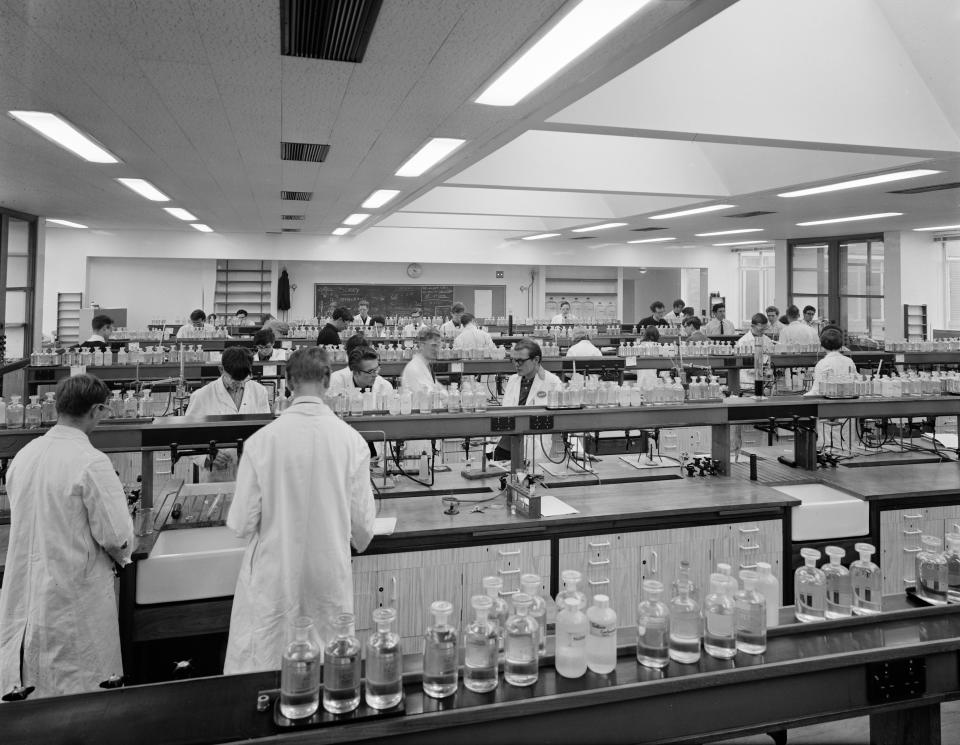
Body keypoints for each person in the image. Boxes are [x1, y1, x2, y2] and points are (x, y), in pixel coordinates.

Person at [223, 347, 376, 673]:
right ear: (327, 379)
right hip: (327, 578)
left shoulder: (261, 442)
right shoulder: (352, 442)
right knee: (329, 672)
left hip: (276, 580)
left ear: (287, 383)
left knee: (270, 670)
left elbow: (240, 524)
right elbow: (362, 530)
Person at [0, 374, 135, 698]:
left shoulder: (25, 455)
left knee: (32, 690)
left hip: (26, 589)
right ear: (97, 409)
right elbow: (117, 537)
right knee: (78, 692)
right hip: (73, 594)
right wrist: (126, 553)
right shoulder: (91, 462)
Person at [185, 346, 272, 482]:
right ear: (221, 369)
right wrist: (208, 457)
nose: (238, 383)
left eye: (243, 378)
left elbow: (264, 431)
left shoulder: (259, 392)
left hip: (251, 471)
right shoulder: (202, 396)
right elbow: (188, 436)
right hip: (216, 475)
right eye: (233, 379)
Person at [492, 339, 563, 461]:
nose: (516, 365)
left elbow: (564, 418)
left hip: (532, 448)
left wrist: (578, 451)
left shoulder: (552, 382)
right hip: (507, 444)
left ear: (536, 360)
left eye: (520, 361)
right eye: (514, 360)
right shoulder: (513, 380)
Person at [805, 327, 857, 396]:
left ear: (822, 346)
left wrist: (804, 396)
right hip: (848, 400)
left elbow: (816, 391)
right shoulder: (849, 361)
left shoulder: (822, 364)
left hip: (827, 403)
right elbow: (856, 381)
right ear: (841, 345)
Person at [328, 344, 393, 399]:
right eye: (371, 371)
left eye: (376, 369)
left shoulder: (385, 386)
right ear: (355, 372)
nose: (376, 374)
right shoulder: (336, 381)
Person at [736, 313, 777, 390]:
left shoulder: (767, 340)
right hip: (749, 382)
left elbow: (771, 359)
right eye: (761, 329)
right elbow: (743, 364)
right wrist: (761, 369)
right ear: (753, 326)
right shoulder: (743, 342)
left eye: (764, 329)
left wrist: (767, 370)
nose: (763, 332)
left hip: (766, 381)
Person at [401, 326, 441, 391]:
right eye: (433, 345)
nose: (437, 349)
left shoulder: (426, 365)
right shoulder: (414, 369)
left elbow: (437, 388)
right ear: (422, 345)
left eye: (438, 345)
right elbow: (424, 397)